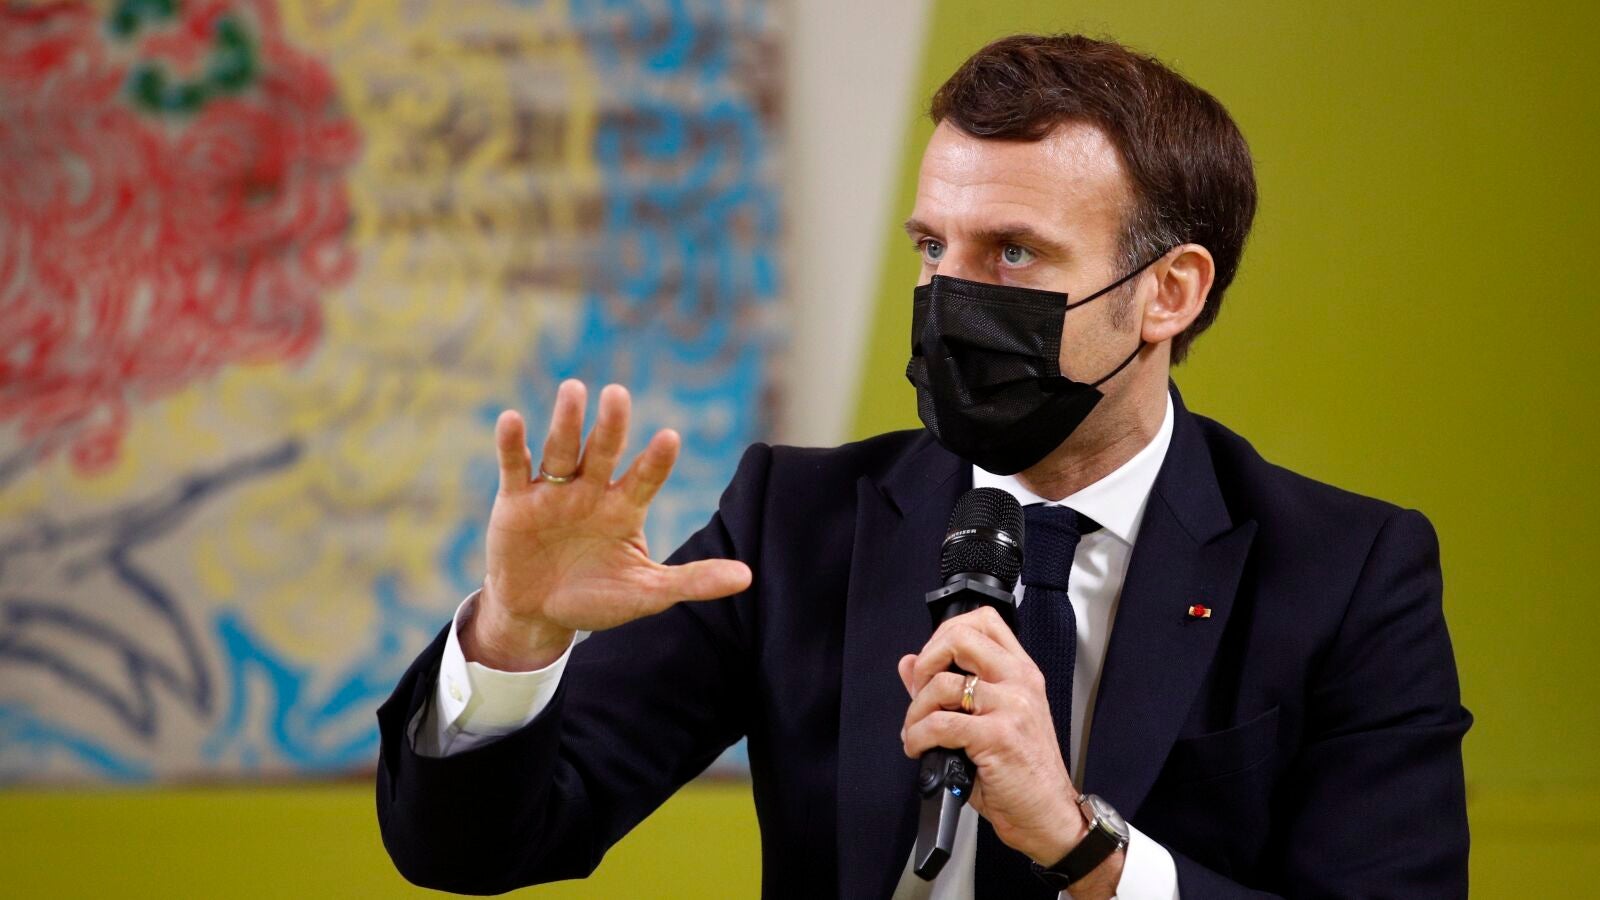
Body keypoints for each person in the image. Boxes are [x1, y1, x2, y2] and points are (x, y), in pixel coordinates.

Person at [375, 34, 1470, 898]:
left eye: (1013, 253)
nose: (949, 297)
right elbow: (476, 850)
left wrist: (1080, 845)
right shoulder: (793, 524)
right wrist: (514, 639)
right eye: (932, 247)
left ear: (1168, 293)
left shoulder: (1346, 572)